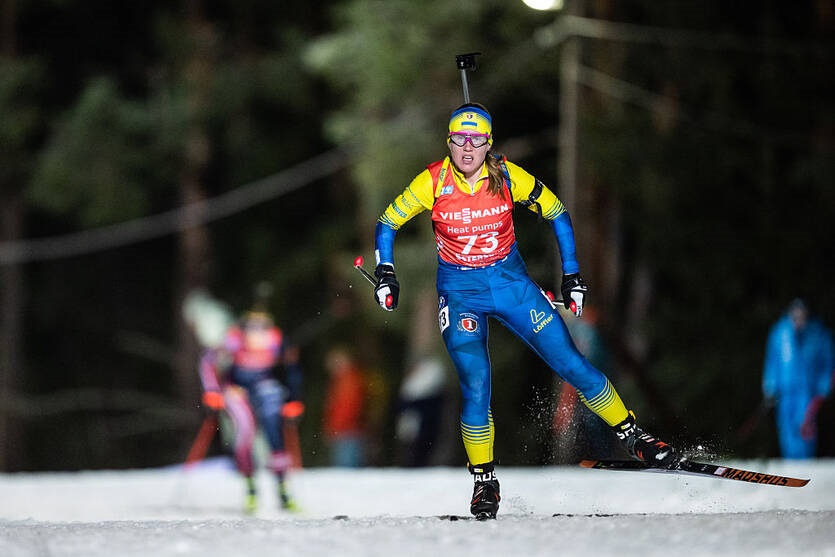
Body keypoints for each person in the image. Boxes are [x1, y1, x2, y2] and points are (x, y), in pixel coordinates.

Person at [371, 103, 675, 520]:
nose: (467, 148)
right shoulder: (433, 181)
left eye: (476, 140)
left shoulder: (508, 176)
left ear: (488, 144)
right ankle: (484, 482)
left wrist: (572, 275)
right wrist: (386, 273)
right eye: (459, 139)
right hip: (460, 294)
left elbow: (556, 211)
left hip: (511, 287)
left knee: (571, 363)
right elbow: (388, 222)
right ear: (449, 142)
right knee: (476, 382)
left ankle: (633, 435)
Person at [199, 309, 304, 513]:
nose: (256, 334)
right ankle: (251, 489)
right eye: (251, 328)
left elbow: (292, 368)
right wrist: (212, 391)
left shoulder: (277, 339)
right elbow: (207, 360)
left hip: (265, 386)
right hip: (236, 388)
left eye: (261, 328)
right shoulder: (234, 339)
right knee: (245, 432)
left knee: (274, 429)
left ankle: (283, 491)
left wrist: (294, 399)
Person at [762, 299, 833, 459]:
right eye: (795, 317)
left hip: (807, 390)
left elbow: (827, 361)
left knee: (805, 424)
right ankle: (790, 462)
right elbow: (772, 360)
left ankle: (805, 460)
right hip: (785, 390)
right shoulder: (780, 332)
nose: (798, 321)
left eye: (801, 316)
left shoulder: (818, 333)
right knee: (786, 426)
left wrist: (824, 383)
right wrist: (770, 384)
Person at [322, 346, 369, 467]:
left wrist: (336, 427)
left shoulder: (349, 380)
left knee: (345, 469)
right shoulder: (343, 380)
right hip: (346, 430)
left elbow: (348, 407)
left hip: (347, 431)